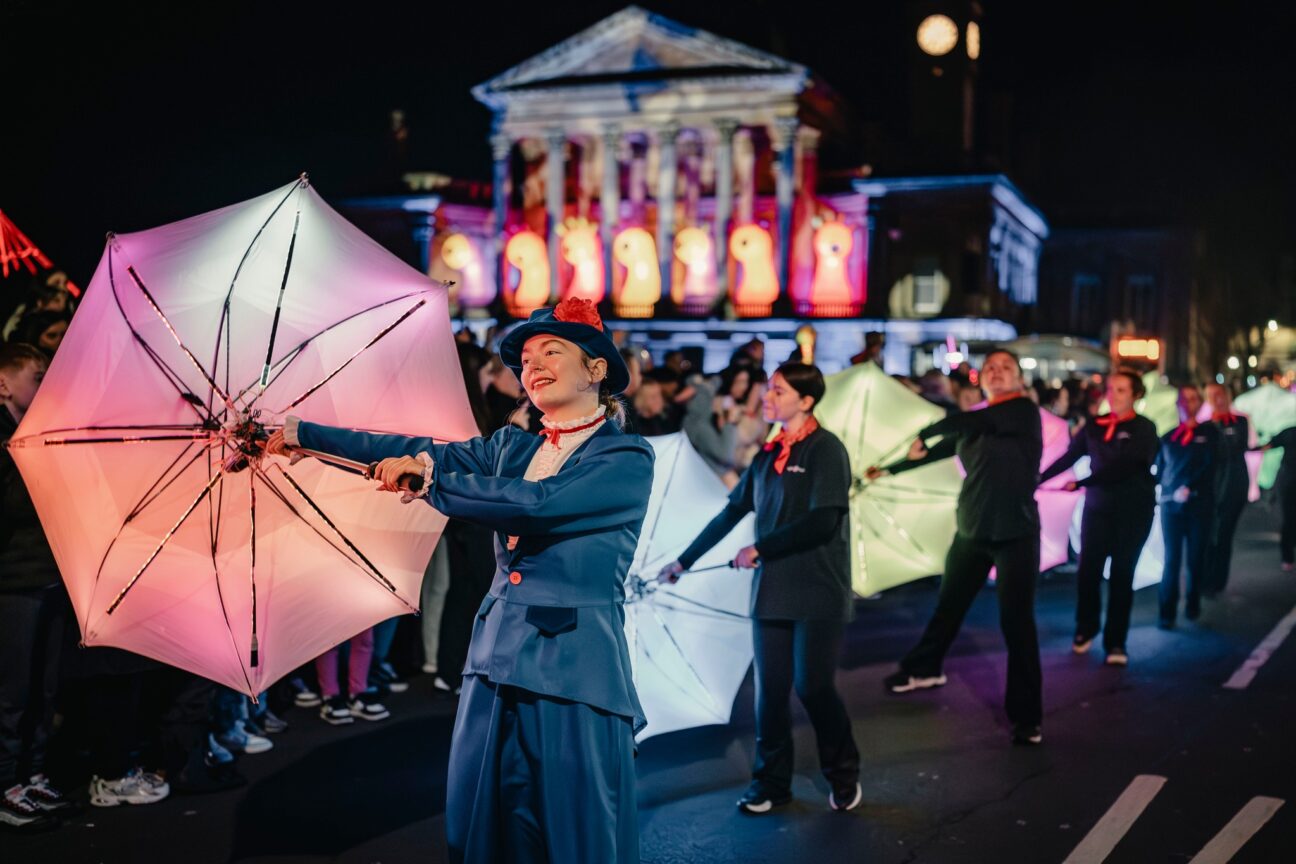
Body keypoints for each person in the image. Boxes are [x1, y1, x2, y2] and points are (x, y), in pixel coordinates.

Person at [265, 297, 652, 863]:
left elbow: (537, 505)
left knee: (577, 834)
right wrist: (304, 436)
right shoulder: (509, 446)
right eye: (524, 357)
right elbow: (405, 449)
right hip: (495, 661)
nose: (532, 364)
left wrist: (428, 484)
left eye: (552, 350)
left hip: (576, 673)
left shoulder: (626, 457)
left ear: (596, 370)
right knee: (487, 824)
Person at [660, 363, 861, 815]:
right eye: (769, 389)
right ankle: (770, 784)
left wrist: (761, 548)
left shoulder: (827, 449)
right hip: (772, 589)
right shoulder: (767, 456)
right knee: (769, 694)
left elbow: (822, 520)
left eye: (778, 391)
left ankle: (844, 773)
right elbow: (730, 513)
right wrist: (682, 561)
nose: (766, 396)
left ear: (805, 401)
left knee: (813, 687)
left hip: (818, 588)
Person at [867, 349, 1045, 745]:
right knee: (948, 608)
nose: (997, 373)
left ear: (1019, 379)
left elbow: (962, 422)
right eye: (990, 369)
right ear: (980, 379)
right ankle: (925, 667)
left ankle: (1027, 717)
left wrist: (924, 433)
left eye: (1006, 369)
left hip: (1015, 532)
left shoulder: (1021, 412)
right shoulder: (978, 422)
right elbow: (941, 450)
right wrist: (887, 469)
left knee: (1017, 625)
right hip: (972, 530)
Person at [0, 343, 76, 831]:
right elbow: (13, 505)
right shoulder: (10, 439)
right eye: (37, 376)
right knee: (14, 690)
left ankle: (33, 772)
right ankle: (8, 782)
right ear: (4, 384)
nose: (45, 385)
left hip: (47, 574)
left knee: (45, 688)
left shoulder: (34, 435)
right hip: (15, 581)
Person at [1038, 369, 1158, 665]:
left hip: (1132, 511)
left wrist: (1081, 483)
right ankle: (1086, 628)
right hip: (1098, 510)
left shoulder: (1144, 428)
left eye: (1121, 390)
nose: (1113, 395)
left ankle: (1116, 642)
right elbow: (1071, 456)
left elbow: (1126, 466)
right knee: (1087, 572)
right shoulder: (1094, 425)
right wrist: (1038, 478)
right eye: (1110, 389)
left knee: (1121, 575)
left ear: (1136, 395)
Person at [1155, 385, 1218, 628]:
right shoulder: (1168, 437)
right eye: (1183, 399)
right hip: (1171, 508)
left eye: (1193, 399)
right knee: (1171, 560)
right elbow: (1160, 471)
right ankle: (1166, 613)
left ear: (1200, 403)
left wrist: (1190, 488)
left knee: (1194, 560)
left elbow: (1211, 466)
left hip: (1199, 505)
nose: (1187, 403)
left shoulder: (1210, 433)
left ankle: (1193, 602)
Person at [1202, 383, 1251, 594]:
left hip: (1233, 485)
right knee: (1207, 534)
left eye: (1220, 394)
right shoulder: (1204, 426)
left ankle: (1216, 581)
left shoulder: (1239, 421)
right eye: (1212, 396)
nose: (1217, 399)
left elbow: (1235, 448)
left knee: (1223, 534)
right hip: (1210, 487)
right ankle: (1204, 578)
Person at [1259, 424, 1296, 571]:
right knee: (1289, 518)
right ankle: (1287, 557)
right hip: (1289, 481)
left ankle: (1287, 556)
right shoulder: (1291, 432)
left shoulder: (1290, 431)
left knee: (1289, 518)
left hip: (1288, 480)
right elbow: (1268, 445)